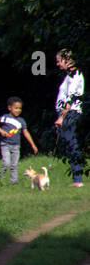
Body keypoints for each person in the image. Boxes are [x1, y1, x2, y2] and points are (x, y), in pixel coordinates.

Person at [55, 50, 84, 187]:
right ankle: (76, 178)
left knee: (71, 144)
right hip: (68, 114)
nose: (58, 64)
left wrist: (62, 117)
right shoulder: (69, 76)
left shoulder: (74, 75)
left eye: (59, 61)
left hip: (70, 114)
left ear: (67, 60)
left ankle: (77, 179)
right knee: (70, 144)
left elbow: (70, 98)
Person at [0, 97, 39, 186]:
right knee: (6, 163)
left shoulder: (21, 121)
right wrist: (1, 131)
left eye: (20, 108)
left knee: (14, 165)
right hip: (5, 144)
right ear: (9, 108)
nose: (18, 110)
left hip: (16, 146)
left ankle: (14, 182)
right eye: (16, 108)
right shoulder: (5, 117)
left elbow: (26, 132)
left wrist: (33, 145)